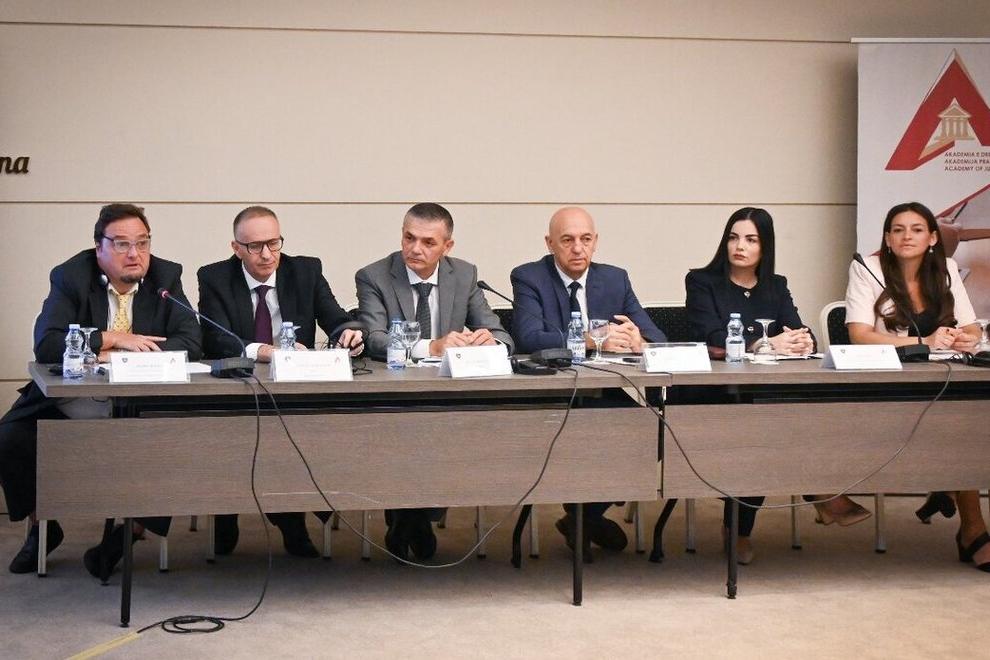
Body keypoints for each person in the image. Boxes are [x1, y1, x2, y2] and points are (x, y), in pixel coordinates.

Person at [0, 203, 202, 575]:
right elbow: (47, 344)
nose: (134, 254)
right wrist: (111, 339)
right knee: (11, 437)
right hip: (72, 401)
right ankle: (42, 524)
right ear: (99, 248)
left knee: (175, 440)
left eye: (142, 243)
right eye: (122, 244)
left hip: (140, 403)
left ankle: (128, 535)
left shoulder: (166, 277)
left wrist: (119, 357)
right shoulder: (71, 276)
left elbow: (191, 342)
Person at [197, 205, 364, 557]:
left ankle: (291, 517)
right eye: (255, 246)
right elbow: (215, 339)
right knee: (232, 434)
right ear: (236, 248)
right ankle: (227, 511)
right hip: (239, 389)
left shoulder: (305, 271)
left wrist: (348, 333)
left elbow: (336, 318)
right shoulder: (214, 277)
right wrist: (265, 351)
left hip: (292, 390)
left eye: (274, 243)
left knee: (301, 432)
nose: (267, 254)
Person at [355, 202, 512, 561]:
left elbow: (501, 333)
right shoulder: (374, 276)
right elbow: (374, 338)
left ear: (447, 246)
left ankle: (411, 518)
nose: (415, 248)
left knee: (458, 434)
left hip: (450, 394)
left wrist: (489, 341)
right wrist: (431, 346)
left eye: (428, 242)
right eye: (409, 238)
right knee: (416, 431)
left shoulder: (464, 274)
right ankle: (414, 518)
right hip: (392, 396)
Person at [510, 206, 665, 558]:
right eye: (567, 240)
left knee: (651, 430)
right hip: (549, 397)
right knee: (584, 436)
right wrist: (592, 340)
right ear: (550, 243)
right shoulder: (529, 277)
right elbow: (528, 338)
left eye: (585, 239)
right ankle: (584, 517)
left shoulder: (615, 279)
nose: (578, 248)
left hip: (601, 393)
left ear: (596, 242)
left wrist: (640, 341)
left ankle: (584, 516)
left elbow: (657, 337)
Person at [846, 201, 987, 571]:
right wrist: (924, 342)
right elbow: (860, 335)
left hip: (943, 378)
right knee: (955, 427)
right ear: (887, 239)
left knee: (966, 421)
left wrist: (966, 338)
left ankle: (960, 507)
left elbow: (972, 327)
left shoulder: (947, 269)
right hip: (888, 383)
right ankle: (971, 527)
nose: (906, 236)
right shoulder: (867, 268)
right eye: (898, 230)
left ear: (933, 238)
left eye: (917, 229)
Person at [684, 206, 822, 564]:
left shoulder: (776, 285)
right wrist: (764, 344)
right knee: (758, 427)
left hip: (761, 392)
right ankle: (812, 495)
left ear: (765, 246)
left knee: (775, 420)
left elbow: (795, 327)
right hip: (708, 394)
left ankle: (808, 493)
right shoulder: (702, 281)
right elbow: (710, 338)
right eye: (733, 238)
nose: (739, 246)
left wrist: (803, 341)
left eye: (750, 239)